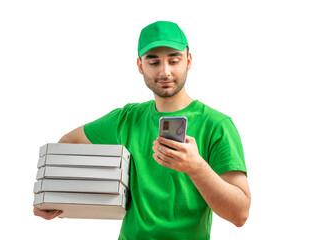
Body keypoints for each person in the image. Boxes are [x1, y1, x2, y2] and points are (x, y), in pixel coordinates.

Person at [33, 21, 251, 239]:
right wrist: (52, 198)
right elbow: (68, 143)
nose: (165, 72)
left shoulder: (217, 125)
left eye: (174, 60)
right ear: (140, 66)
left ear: (189, 61)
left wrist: (196, 168)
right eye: (153, 62)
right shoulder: (127, 118)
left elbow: (240, 214)